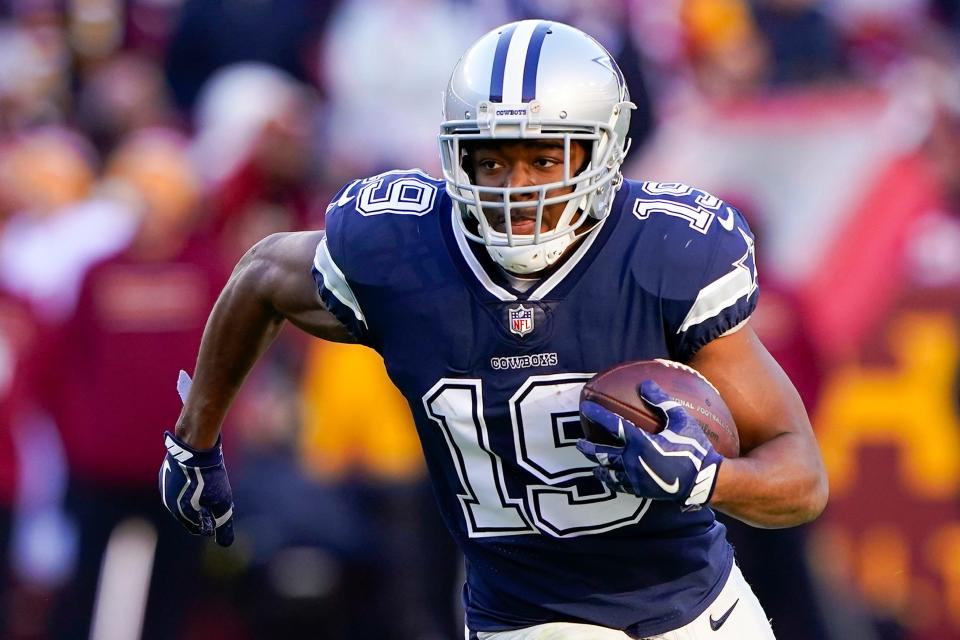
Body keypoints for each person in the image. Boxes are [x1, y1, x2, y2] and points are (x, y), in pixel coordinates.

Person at [160, 20, 828, 639]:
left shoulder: (661, 257)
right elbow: (260, 275)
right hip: (532, 617)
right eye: (493, 160)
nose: (518, 189)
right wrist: (195, 441)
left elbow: (800, 475)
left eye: (545, 160)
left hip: (701, 608)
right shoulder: (408, 256)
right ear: (457, 158)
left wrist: (709, 478)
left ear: (605, 151)